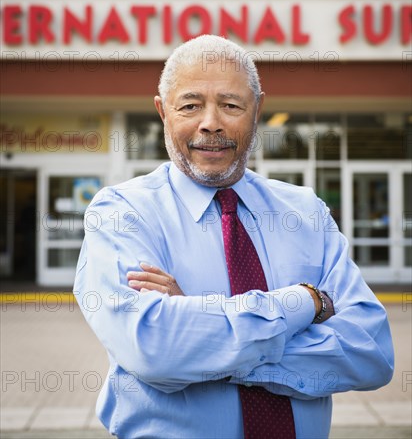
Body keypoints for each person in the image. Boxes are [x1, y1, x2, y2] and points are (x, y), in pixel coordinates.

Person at [74, 35, 394, 439]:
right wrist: (304, 302)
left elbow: (371, 353)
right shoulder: (122, 213)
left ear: (257, 110)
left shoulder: (305, 212)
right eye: (190, 105)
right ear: (162, 111)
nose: (211, 122)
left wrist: (201, 329)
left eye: (230, 105)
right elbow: (154, 350)